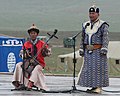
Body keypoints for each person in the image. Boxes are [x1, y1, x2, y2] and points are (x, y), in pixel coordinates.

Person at [77, 5, 109, 94]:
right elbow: (83, 38)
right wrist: (81, 48)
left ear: (98, 14)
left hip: (98, 51)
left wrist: (104, 48)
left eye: (93, 13)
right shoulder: (85, 25)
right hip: (88, 51)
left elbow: (105, 37)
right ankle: (93, 86)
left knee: (98, 69)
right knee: (89, 69)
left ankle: (98, 87)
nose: (91, 15)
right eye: (90, 13)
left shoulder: (103, 25)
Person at [12, 24, 51, 91]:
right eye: (31, 33)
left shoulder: (42, 43)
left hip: (39, 63)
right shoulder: (26, 44)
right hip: (28, 62)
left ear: (37, 34)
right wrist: (24, 54)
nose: (33, 34)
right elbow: (21, 54)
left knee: (37, 68)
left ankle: (31, 83)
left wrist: (45, 50)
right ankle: (18, 83)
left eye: (34, 33)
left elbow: (47, 54)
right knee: (18, 65)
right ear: (29, 34)